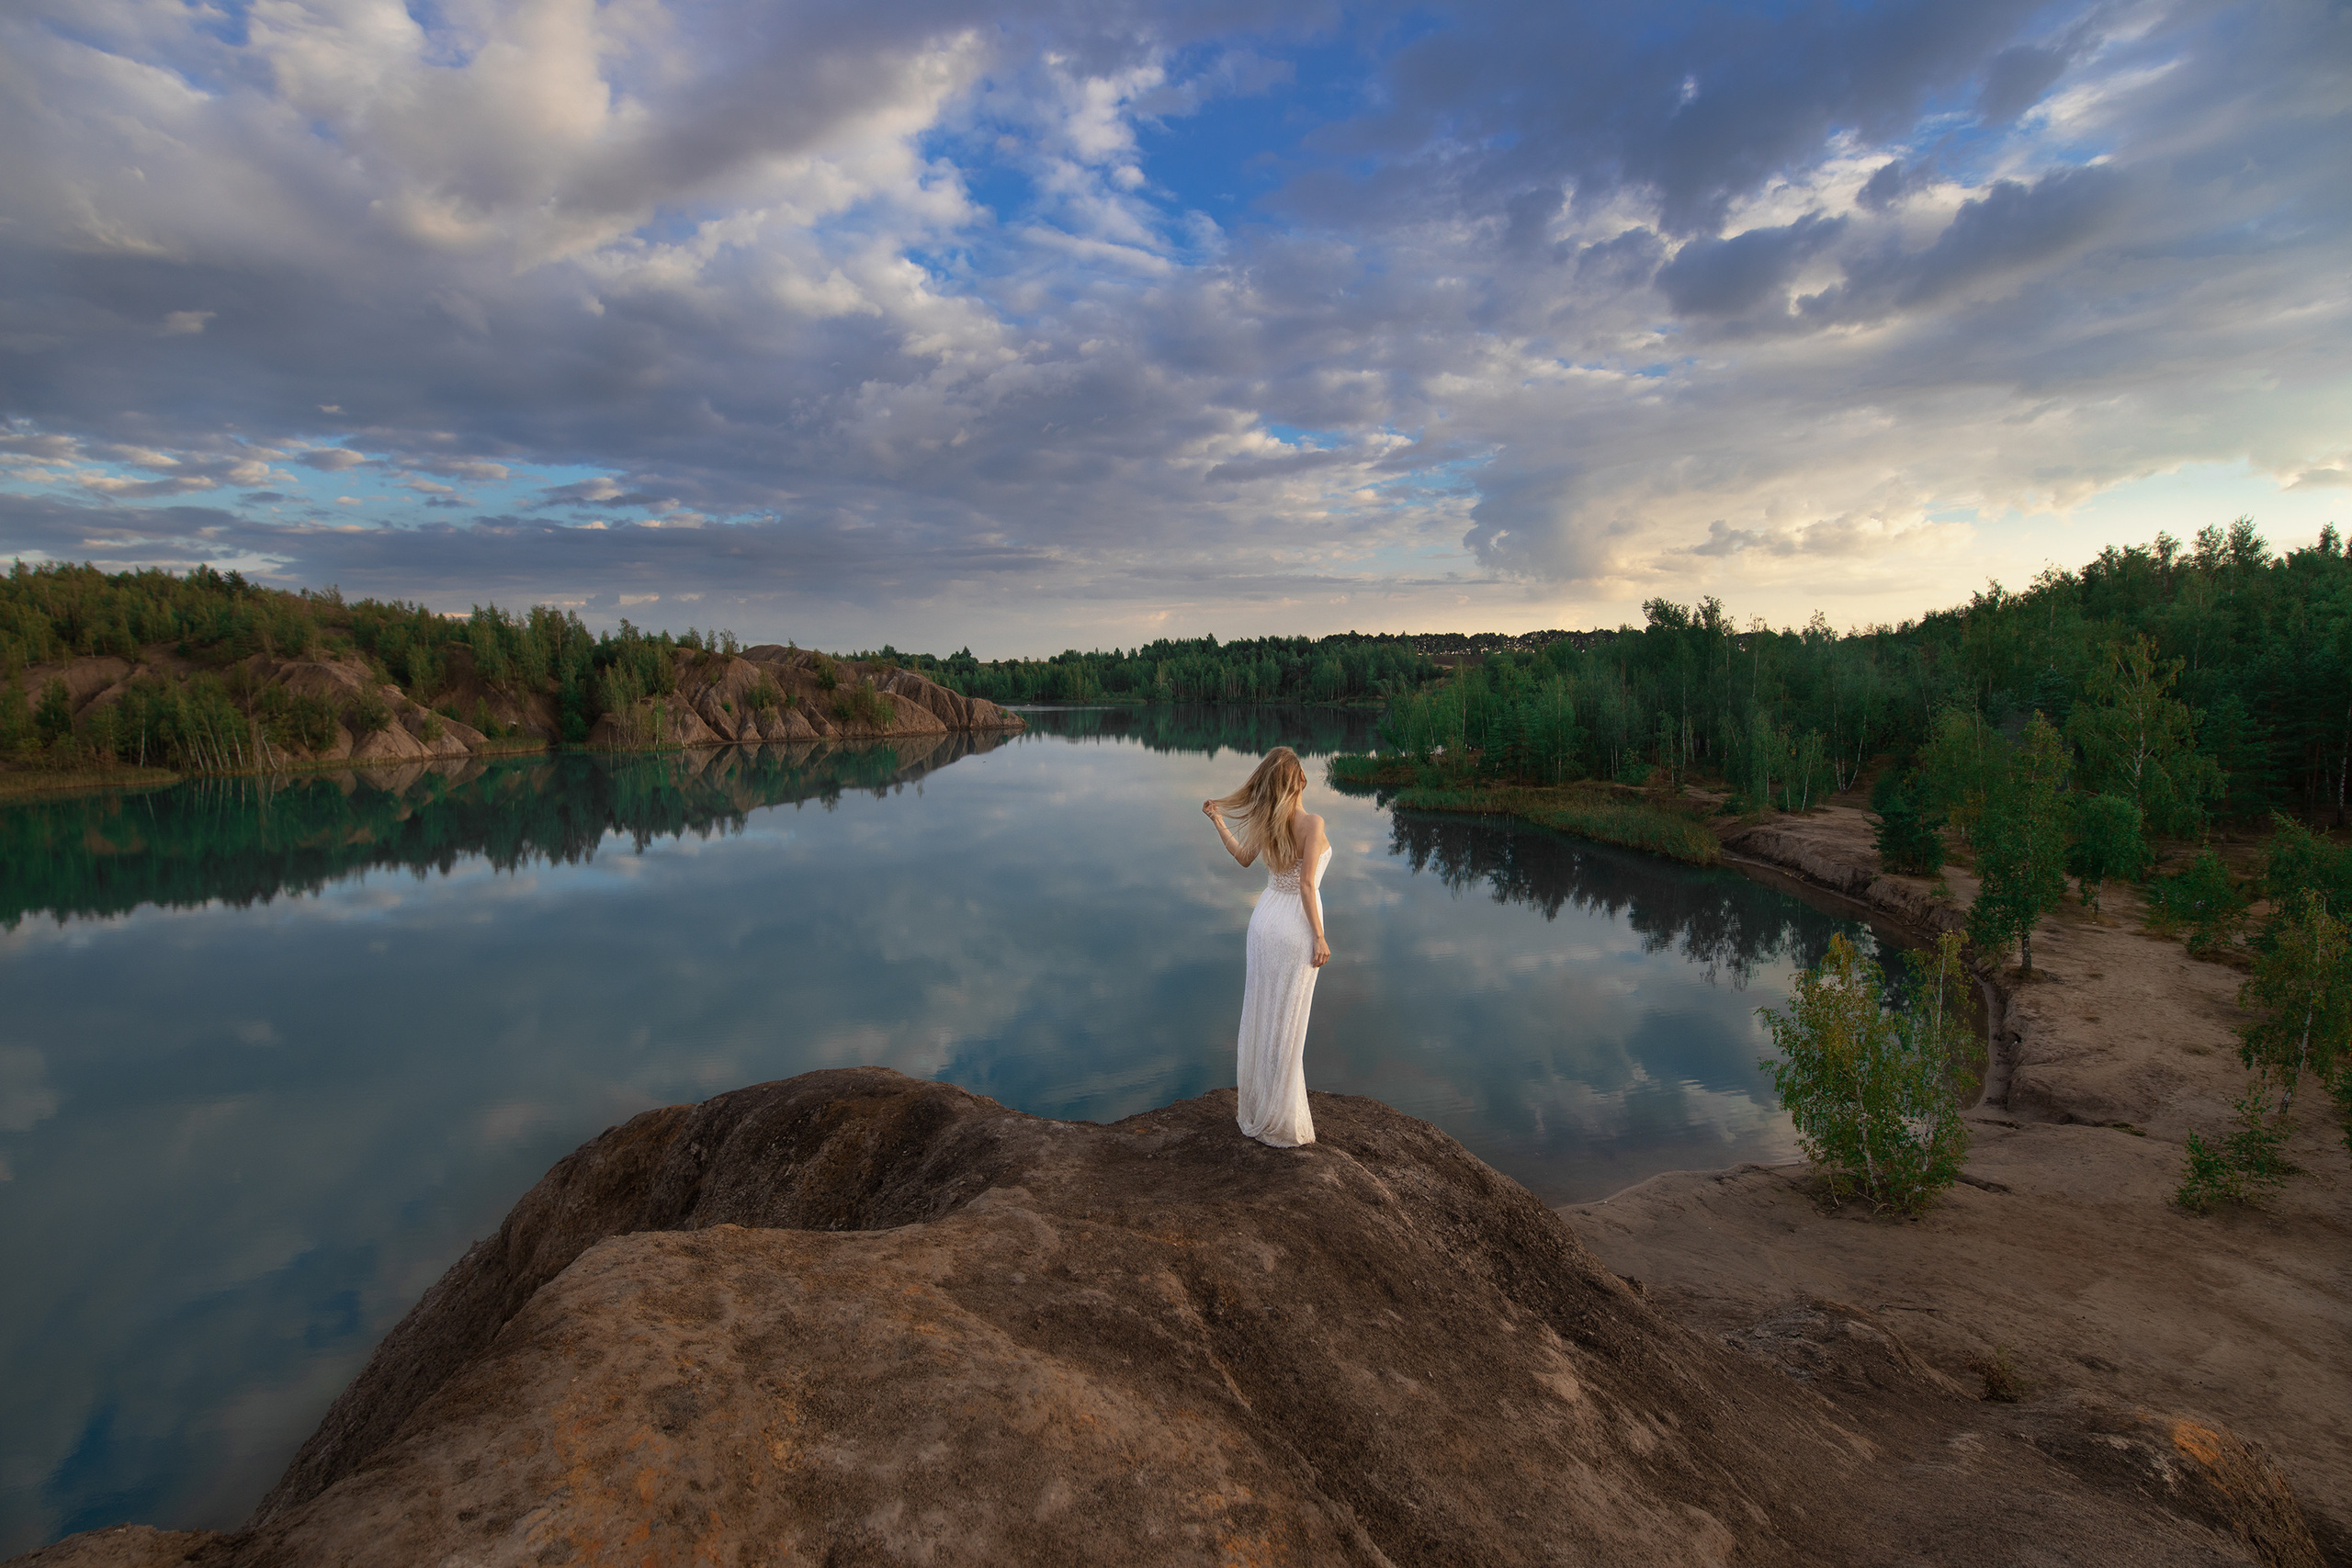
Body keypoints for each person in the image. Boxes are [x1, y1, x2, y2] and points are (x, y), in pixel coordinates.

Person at [1203, 747, 1332, 1146]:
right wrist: (1320, 936)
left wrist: (1218, 820)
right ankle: (1281, 1116)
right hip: (1294, 925)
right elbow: (1308, 884)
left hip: (1263, 924)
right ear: (1301, 780)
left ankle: (1263, 1107)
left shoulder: (1267, 820)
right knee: (1288, 1021)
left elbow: (1242, 858)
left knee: (1263, 1011)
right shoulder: (1312, 823)